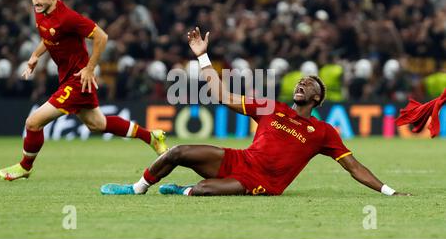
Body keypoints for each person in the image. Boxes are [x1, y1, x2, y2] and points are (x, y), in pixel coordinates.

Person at [100, 27, 411, 197]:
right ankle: (137, 188)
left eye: (310, 83)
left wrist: (389, 191)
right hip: (239, 160)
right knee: (178, 151)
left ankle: (182, 190)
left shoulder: (324, 133)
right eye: (301, 81)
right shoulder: (271, 107)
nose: (303, 83)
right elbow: (222, 96)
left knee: (202, 190)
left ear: (318, 98)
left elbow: (355, 168)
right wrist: (203, 57)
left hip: (261, 182)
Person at [0, 0, 167, 181]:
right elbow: (50, 36)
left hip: (77, 80)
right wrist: (35, 56)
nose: (36, 2)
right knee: (97, 124)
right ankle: (151, 137)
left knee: (33, 122)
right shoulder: (41, 12)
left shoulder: (68, 17)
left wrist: (89, 68)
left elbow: (101, 37)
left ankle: (25, 167)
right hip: (68, 77)